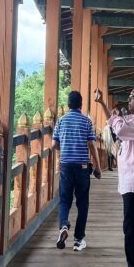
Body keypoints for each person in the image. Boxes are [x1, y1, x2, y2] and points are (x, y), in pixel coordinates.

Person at [95, 84, 134, 267]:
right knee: (133, 227)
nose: (128, 101)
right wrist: (102, 103)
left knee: (130, 228)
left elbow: (119, 127)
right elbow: (116, 125)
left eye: (131, 97)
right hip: (130, 179)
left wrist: (114, 115)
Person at [52, 91, 102, 252]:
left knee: (65, 200)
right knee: (82, 203)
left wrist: (65, 148)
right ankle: (78, 240)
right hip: (82, 167)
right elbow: (92, 145)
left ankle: (64, 226)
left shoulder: (61, 121)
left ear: (68, 105)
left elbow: (54, 145)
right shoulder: (86, 122)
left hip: (66, 165)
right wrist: (98, 167)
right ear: (81, 104)